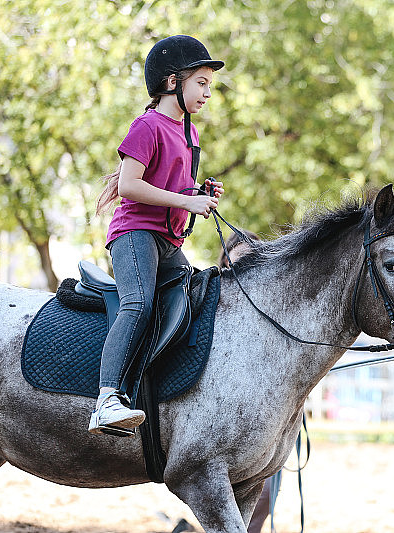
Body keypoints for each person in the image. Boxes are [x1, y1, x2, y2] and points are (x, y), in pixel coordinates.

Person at [89, 35, 225, 435]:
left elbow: (175, 189)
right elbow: (130, 185)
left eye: (209, 85)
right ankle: (106, 399)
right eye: (200, 82)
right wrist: (186, 204)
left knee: (199, 297)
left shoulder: (191, 134)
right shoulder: (147, 125)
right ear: (172, 83)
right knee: (139, 304)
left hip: (168, 243)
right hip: (135, 234)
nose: (207, 92)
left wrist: (199, 195)